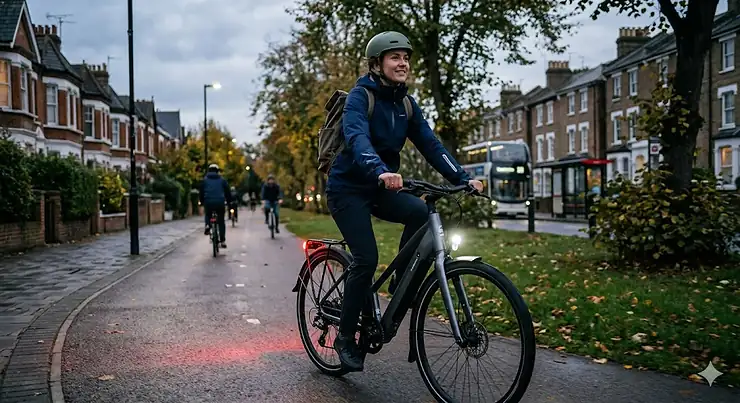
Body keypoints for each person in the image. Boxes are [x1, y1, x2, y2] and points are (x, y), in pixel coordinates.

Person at [325, 31, 484, 373]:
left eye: (406, 57)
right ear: (377, 64)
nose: (403, 63)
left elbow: (431, 144)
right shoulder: (360, 97)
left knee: (420, 213)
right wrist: (380, 170)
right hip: (348, 188)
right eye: (394, 57)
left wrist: (462, 178)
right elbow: (356, 138)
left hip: (382, 186)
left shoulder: (406, 105)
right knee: (366, 258)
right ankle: (344, 338)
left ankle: (401, 286)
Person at [199, 163, 232, 248]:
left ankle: (207, 225)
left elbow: (201, 192)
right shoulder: (222, 180)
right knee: (221, 221)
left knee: (208, 214)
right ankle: (223, 241)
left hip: (208, 202)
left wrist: (202, 201)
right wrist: (229, 201)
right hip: (220, 202)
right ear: (218, 171)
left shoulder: (204, 180)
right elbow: (228, 192)